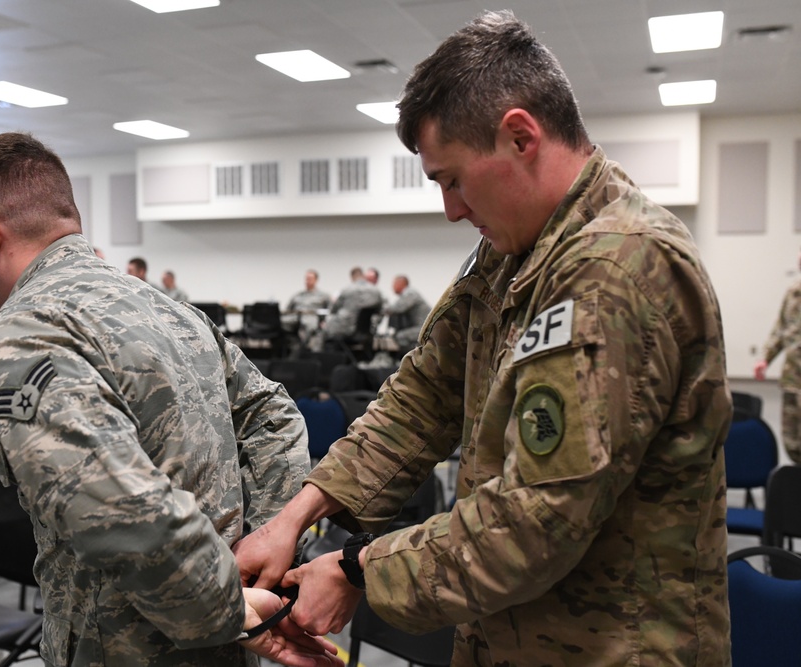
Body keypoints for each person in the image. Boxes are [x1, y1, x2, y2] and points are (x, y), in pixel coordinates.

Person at [235, 10, 732, 666]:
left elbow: (535, 522)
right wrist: (295, 514)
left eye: (453, 179)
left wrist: (359, 568)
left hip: (615, 646)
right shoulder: (512, 256)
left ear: (520, 136)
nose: (451, 208)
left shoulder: (619, 266)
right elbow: (420, 399)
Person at [0, 132, 340, 667]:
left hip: (124, 646)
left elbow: (118, 510)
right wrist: (259, 554)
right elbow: (275, 418)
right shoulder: (171, 310)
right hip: (233, 632)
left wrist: (225, 605)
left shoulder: (23, 335)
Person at [754, 247, 801, 463]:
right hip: (793, 379)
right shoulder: (794, 293)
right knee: (792, 441)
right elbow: (781, 330)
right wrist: (765, 358)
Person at [322, 267, 382, 339]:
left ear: (352, 277)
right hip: (366, 331)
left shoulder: (347, 290)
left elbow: (333, 309)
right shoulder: (376, 291)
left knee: (326, 327)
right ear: (363, 276)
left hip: (346, 330)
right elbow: (381, 309)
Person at [382, 274, 431, 355]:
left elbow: (397, 308)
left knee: (400, 336)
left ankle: (413, 359)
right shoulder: (408, 293)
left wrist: (381, 308)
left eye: (394, 284)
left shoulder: (410, 293)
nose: (392, 287)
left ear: (401, 283)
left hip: (424, 329)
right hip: (422, 327)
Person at [282, 270, 332, 346]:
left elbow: (330, 311)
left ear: (316, 280)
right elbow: (287, 310)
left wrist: (325, 321)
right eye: (306, 278)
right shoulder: (298, 295)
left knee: (309, 326)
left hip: (311, 317)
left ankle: (304, 349)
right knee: (279, 323)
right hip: (295, 317)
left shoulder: (324, 296)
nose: (307, 281)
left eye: (310, 279)